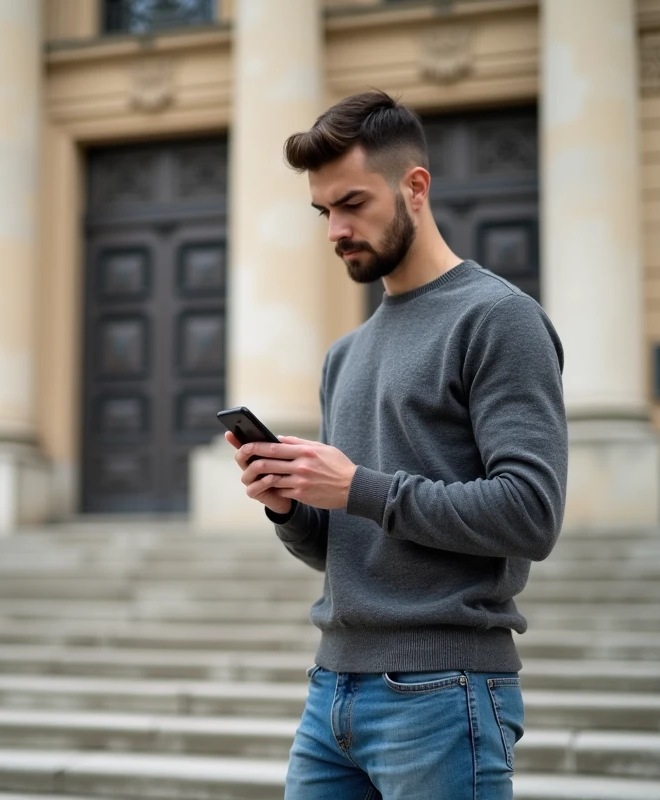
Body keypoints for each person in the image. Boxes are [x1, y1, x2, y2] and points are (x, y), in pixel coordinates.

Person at [224, 90, 569, 800]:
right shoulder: (344, 354)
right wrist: (291, 507)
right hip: (332, 694)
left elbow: (531, 514)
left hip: (446, 692)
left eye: (353, 203)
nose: (335, 230)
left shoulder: (499, 320)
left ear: (415, 187)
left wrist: (358, 487)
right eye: (324, 211)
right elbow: (346, 547)